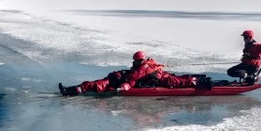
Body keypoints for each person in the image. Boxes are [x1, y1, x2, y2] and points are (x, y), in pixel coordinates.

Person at [59, 51, 210, 96]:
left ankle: (200, 82)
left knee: (179, 81)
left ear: (140, 60)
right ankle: (76, 89)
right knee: (103, 82)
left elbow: (131, 82)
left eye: (136, 61)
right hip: (147, 77)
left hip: (162, 80)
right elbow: (132, 76)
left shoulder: (142, 68)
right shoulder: (147, 63)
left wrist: (122, 89)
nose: (135, 63)